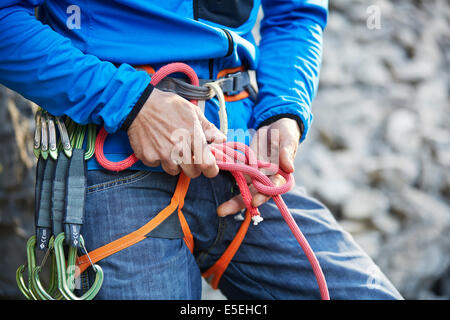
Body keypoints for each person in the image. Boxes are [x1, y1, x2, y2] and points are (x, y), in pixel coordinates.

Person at [0, 0, 402, 299]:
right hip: (111, 159)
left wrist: (284, 112)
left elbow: (296, 11)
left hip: (240, 157)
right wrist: (131, 103)